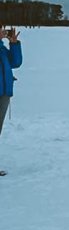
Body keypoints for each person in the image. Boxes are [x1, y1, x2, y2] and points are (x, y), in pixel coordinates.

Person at [1, 26, 23, 177]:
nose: (3, 30)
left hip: (4, 93)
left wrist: (14, 44)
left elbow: (15, 62)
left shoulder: (2, 49)